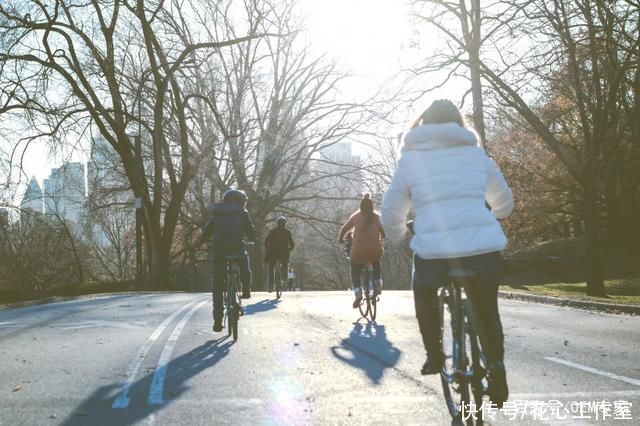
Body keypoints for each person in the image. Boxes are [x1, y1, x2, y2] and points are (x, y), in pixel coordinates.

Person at [380, 99, 514, 408]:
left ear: (424, 125)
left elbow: (390, 213)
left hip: (435, 254)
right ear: (459, 124)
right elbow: (505, 203)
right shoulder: (477, 155)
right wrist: (489, 217)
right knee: (487, 310)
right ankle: (496, 368)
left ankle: (435, 356)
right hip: (483, 252)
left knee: (424, 293)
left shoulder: (411, 161)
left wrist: (399, 235)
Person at [198, 189, 256, 332]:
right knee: (244, 258)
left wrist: (203, 241)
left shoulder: (217, 213)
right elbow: (252, 233)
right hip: (237, 249)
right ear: (241, 201)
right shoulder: (243, 213)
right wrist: (252, 239)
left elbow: (206, 232)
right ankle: (247, 288)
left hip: (219, 251)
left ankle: (217, 320)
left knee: (217, 283)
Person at [338, 193, 385, 308]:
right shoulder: (378, 217)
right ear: (371, 206)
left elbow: (344, 228)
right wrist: (381, 237)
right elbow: (384, 232)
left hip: (358, 251)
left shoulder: (356, 216)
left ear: (361, 206)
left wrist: (340, 239)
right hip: (374, 251)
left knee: (355, 269)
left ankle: (358, 293)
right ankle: (377, 284)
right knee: (376, 262)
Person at [264, 216, 295, 292]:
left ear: (277, 223)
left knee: (271, 268)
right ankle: (284, 278)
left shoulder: (272, 232)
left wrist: (268, 248)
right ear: (285, 223)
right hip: (284, 254)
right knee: (285, 264)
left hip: (273, 253)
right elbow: (292, 243)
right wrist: (291, 248)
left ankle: (271, 285)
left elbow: (266, 241)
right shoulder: (287, 232)